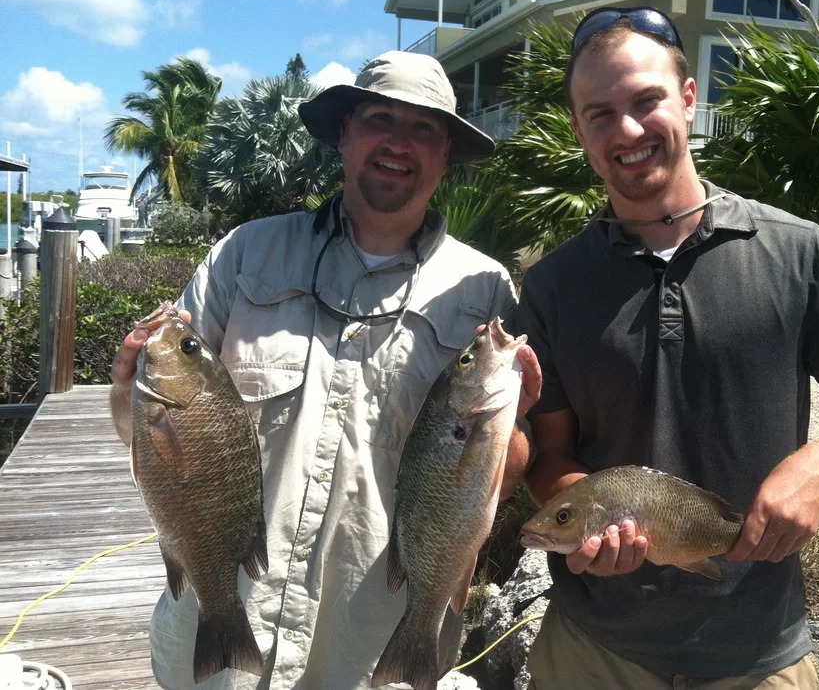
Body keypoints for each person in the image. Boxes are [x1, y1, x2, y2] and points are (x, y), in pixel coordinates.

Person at [515, 6, 819, 689]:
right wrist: (583, 516)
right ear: (581, 128)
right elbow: (552, 452)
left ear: (690, 97)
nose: (629, 130)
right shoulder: (554, 284)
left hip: (757, 653)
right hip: (590, 652)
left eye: (647, 101)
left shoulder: (799, 253)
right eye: (601, 113)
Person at [110, 50, 541, 690]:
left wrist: (512, 425)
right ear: (344, 133)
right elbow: (149, 430)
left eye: (424, 128)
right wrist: (128, 392)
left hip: (373, 642)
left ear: (446, 152)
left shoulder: (484, 292)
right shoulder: (244, 253)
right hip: (227, 618)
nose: (399, 142)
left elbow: (495, 482)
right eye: (379, 118)